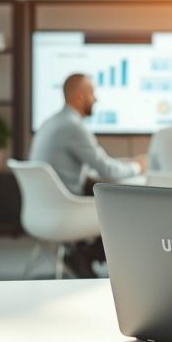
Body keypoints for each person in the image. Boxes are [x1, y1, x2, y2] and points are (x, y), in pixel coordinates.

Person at [29, 73, 146, 277]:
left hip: (45, 208)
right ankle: (84, 256)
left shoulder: (52, 122)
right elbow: (107, 171)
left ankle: (81, 257)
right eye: (92, 93)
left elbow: (90, 167)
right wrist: (137, 166)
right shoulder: (73, 126)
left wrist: (120, 164)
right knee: (129, 207)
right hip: (66, 210)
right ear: (79, 97)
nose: (96, 99)